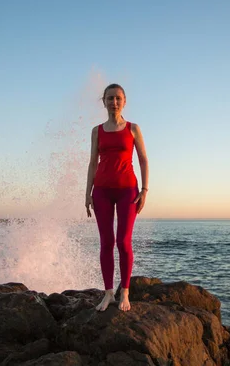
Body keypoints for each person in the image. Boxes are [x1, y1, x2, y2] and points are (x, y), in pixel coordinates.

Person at [85, 83, 149, 312]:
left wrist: (144, 190)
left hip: (127, 191)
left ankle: (125, 293)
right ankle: (108, 293)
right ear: (103, 101)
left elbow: (143, 159)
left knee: (123, 241)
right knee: (106, 243)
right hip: (101, 191)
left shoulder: (133, 128)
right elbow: (93, 162)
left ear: (124, 101)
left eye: (118, 98)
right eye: (110, 98)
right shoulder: (97, 131)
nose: (114, 102)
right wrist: (87, 194)